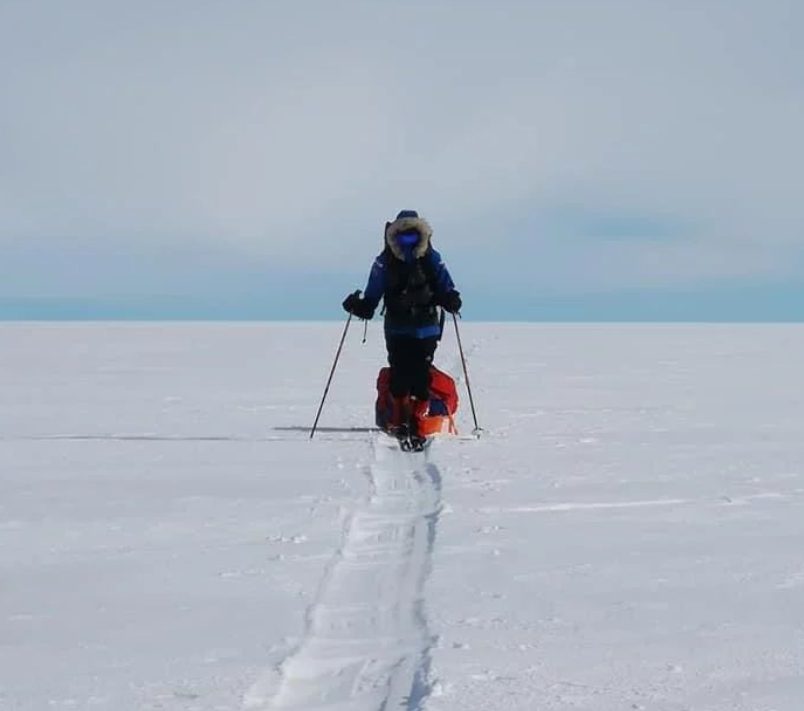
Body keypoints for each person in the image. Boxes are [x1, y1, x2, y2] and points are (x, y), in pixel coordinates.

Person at [343, 209, 462, 439]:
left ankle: (411, 419)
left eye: (412, 236)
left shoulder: (428, 259)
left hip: (420, 328)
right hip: (406, 328)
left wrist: (451, 298)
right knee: (402, 375)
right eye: (403, 236)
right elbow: (371, 299)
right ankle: (405, 419)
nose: (407, 241)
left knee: (418, 375)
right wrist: (358, 306)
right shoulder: (388, 262)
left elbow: (446, 287)